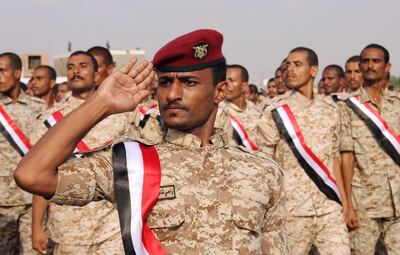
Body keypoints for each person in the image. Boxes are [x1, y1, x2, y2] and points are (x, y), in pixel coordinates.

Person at [15, 29, 288, 254]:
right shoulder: (133, 162)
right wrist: (102, 103)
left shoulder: (262, 171)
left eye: (189, 82)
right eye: (166, 82)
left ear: (220, 91)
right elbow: (32, 175)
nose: (172, 94)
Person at [30, 51, 128, 255]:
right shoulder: (49, 120)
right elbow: (39, 176)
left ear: (97, 74)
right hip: (67, 230)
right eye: (71, 67)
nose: (76, 71)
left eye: (83, 66)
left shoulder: (119, 115)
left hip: (111, 227)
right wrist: (37, 226)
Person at [257, 47, 350, 254]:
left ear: (314, 70)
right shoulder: (275, 111)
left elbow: (334, 159)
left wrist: (344, 203)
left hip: (329, 209)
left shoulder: (331, 110)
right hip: (291, 211)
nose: (290, 69)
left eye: (297, 65)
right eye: (288, 65)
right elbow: (265, 164)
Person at [340, 44, 400, 255]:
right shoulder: (348, 106)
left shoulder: (397, 104)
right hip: (364, 200)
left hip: (398, 201)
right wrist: (347, 204)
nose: (370, 66)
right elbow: (346, 156)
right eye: (365, 61)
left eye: (376, 61)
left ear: (387, 66)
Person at [0, 52, 47, 254]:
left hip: (32, 198)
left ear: (18, 72)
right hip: (2, 203)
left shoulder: (39, 107)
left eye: (2, 71)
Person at [219, 64, 260, 151]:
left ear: (244, 86)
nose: (226, 84)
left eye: (231, 80)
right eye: (224, 80)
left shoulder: (256, 110)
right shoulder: (218, 110)